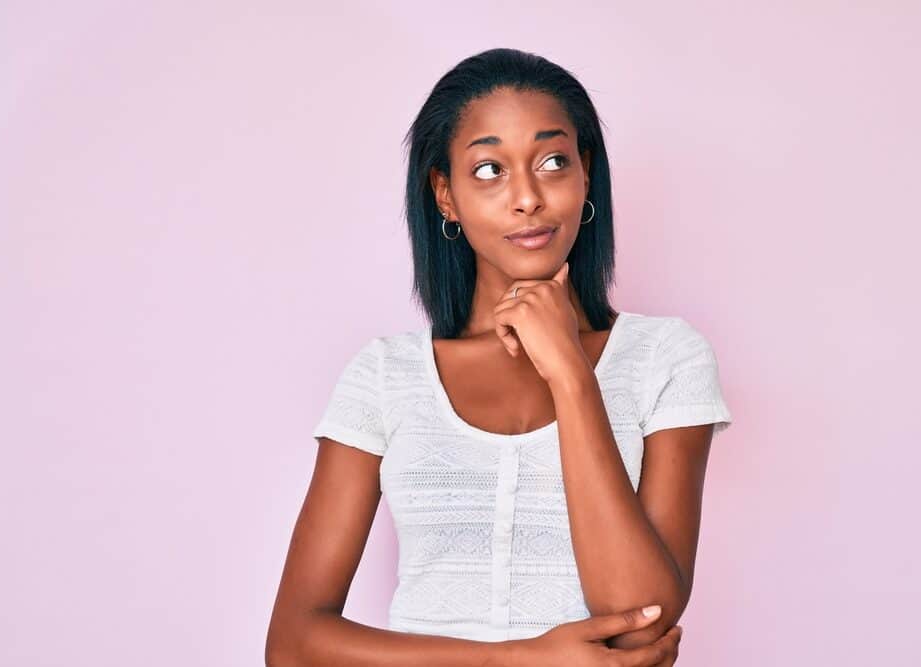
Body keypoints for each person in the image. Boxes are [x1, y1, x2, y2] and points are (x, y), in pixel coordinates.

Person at [266, 47, 733, 667]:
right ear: (445, 196)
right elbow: (293, 644)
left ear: (585, 174)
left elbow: (638, 621)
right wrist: (514, 657)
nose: (528, 198)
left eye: (553, 161)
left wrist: (569, 372)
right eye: (490, 170)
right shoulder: (386, 375)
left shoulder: (665, 358)